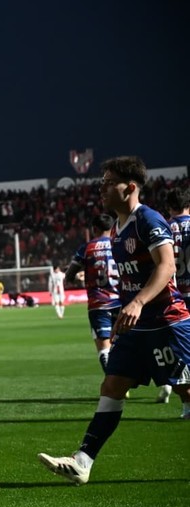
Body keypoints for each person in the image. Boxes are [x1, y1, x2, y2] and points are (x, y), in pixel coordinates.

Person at [39, 156, 190, 485]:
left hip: (167, 322)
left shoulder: (148, 220)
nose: (102, 187)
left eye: (109, 182)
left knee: (186, 389)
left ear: (131, 187)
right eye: (102, 181)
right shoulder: (118, 229)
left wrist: (136, 301)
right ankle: (83, 462)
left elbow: (167, 267)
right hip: (136, 328)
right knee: (112, 385)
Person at [65, 214, 121, 373]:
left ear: (94, 229)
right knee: (124, 344)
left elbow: (69, 276)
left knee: (104, 347)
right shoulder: (119, 244)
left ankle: (113, 382)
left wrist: (78, 278)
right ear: (112, 228)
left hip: (99, 303)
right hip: (122, 302)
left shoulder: (87, 248)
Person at [161, 187, 190, 413]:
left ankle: (187, 404)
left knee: (179, 351)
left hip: (174, 298)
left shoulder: (162, 228)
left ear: (169, 207)